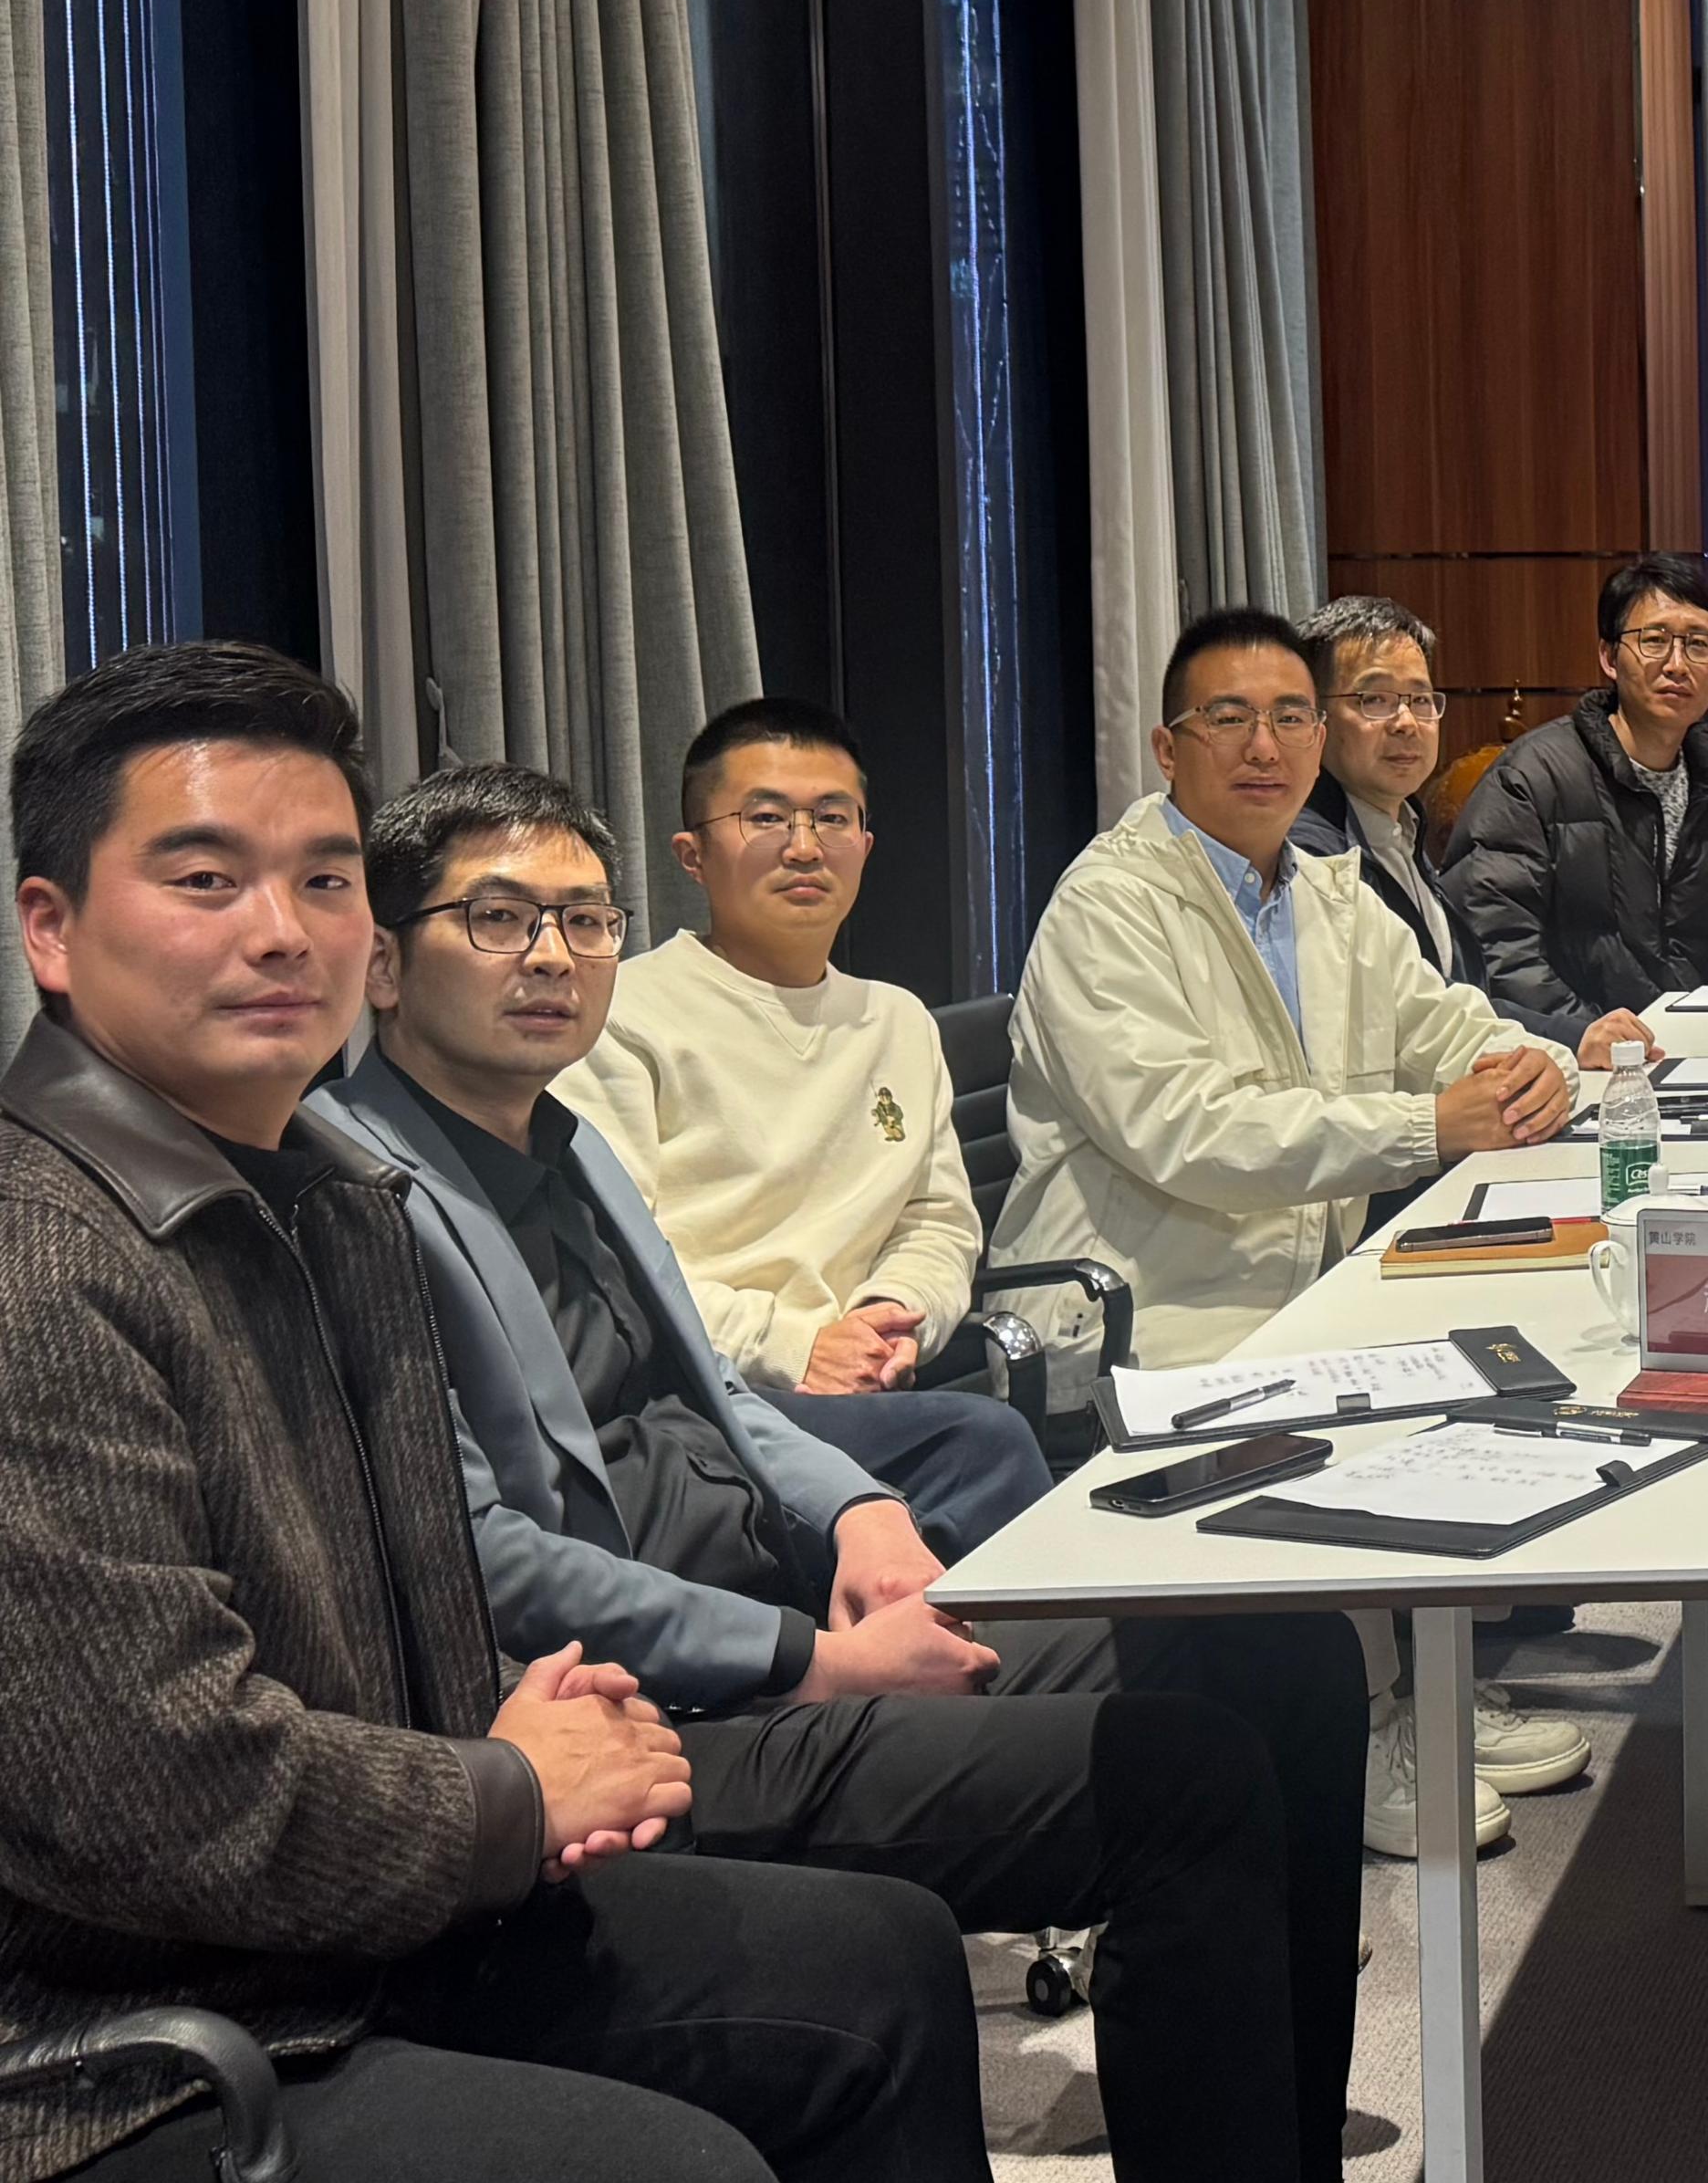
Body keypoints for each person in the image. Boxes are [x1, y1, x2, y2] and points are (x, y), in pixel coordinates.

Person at [0, 642, 980, 2183]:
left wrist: (542, 1728)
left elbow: (434, 1577)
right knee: (675, 2167)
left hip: (376, 1908)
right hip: (142, 2031)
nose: (281, 931)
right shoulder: (43, 1268)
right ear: (50, 928)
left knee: (883, 1963)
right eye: (205, 881)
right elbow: (156, 1793)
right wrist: (507, 1793)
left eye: (325, 882)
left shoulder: (335, 1195)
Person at [316, 761, 1368, 2183]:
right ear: (384, 964)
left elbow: (723, 1398)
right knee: (1185, 1780)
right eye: (498, 919)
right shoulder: (362, 1197)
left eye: (585, 919)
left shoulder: (566, 1145)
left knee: (1280, 1656)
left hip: (781, 1606)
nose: (552, 956)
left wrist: (864, 1509)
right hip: (667, 1704)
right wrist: (818, 1662)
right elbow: (484, 1553)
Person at [991, 607, 1610, 1854]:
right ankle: (1364, 1725)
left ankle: (1410, 1695)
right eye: (1227, 718)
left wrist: (1530, 1067)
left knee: (1513, 1346)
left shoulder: (1326, 892)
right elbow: (1187, 1128)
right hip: (1149, 1302)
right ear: (1168, 747)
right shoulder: (1109, 905)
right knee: (1403, 1384)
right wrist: (1427, 1124)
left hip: (1299, 1278)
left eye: (1288, 717)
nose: (1263, 746)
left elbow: (1444, 1022)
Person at [557, 696, 1048, 1558]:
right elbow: (616, 1262)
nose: (805, 846)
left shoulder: (895, 1020)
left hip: (867, 1387)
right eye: (766, 817)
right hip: (703, 1397)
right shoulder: (624, 1016)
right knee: (982, 1447)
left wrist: (894, 1317)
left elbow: (936, 1219)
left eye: (832, 817)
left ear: (865, 844)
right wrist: (796, 1347)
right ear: (692, 854)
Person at [1446, 555, 1708, 1019]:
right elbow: (1496, 948)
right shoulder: (1533, 780)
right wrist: (1587, 1035)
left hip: (1697, 1055)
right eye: (1654, 641)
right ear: (1609, 657)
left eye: (1698, 644)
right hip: (1565, 1051)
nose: (1677, 665)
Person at [1288, 595, 1573, 1035]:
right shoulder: (1310, 858)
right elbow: (1397, 1024)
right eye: (1375, 699)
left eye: (1421, 699)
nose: (1406, 722)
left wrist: (1577, 1037)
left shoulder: (1406, 831)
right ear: (1315, 717)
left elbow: (1450, 1001)